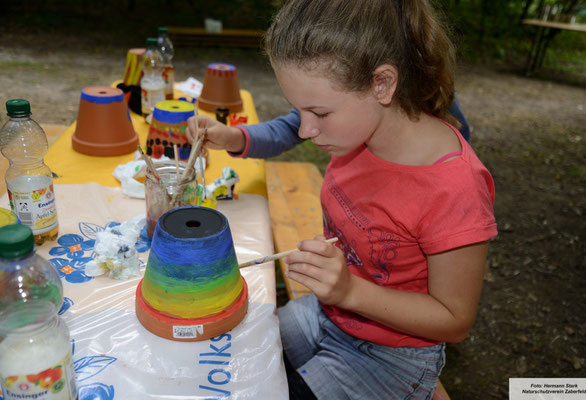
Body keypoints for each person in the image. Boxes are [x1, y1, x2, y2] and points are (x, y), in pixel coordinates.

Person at [189, 0, 496, 398]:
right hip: (329, 315)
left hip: (391, 357)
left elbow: (455, 320)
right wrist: (341, 294)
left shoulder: (453, 187)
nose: (303, 130)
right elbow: (295, 125)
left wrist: (350, 291)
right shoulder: (354, 129)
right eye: (299, 110)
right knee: (234, 354)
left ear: (383, 84)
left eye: (318, 112)